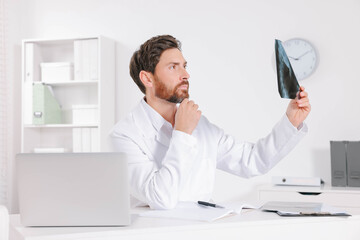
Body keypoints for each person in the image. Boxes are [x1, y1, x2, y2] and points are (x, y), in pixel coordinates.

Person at [109, 35, 311, 209]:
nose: (186, 74)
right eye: (173, 67)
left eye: (185, 66)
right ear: (147, 78)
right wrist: (182, 133)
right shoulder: (125, 135)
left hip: (202, 230)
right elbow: (161, 198)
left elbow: (252, 161)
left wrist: (290, 122)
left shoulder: (199, 123)